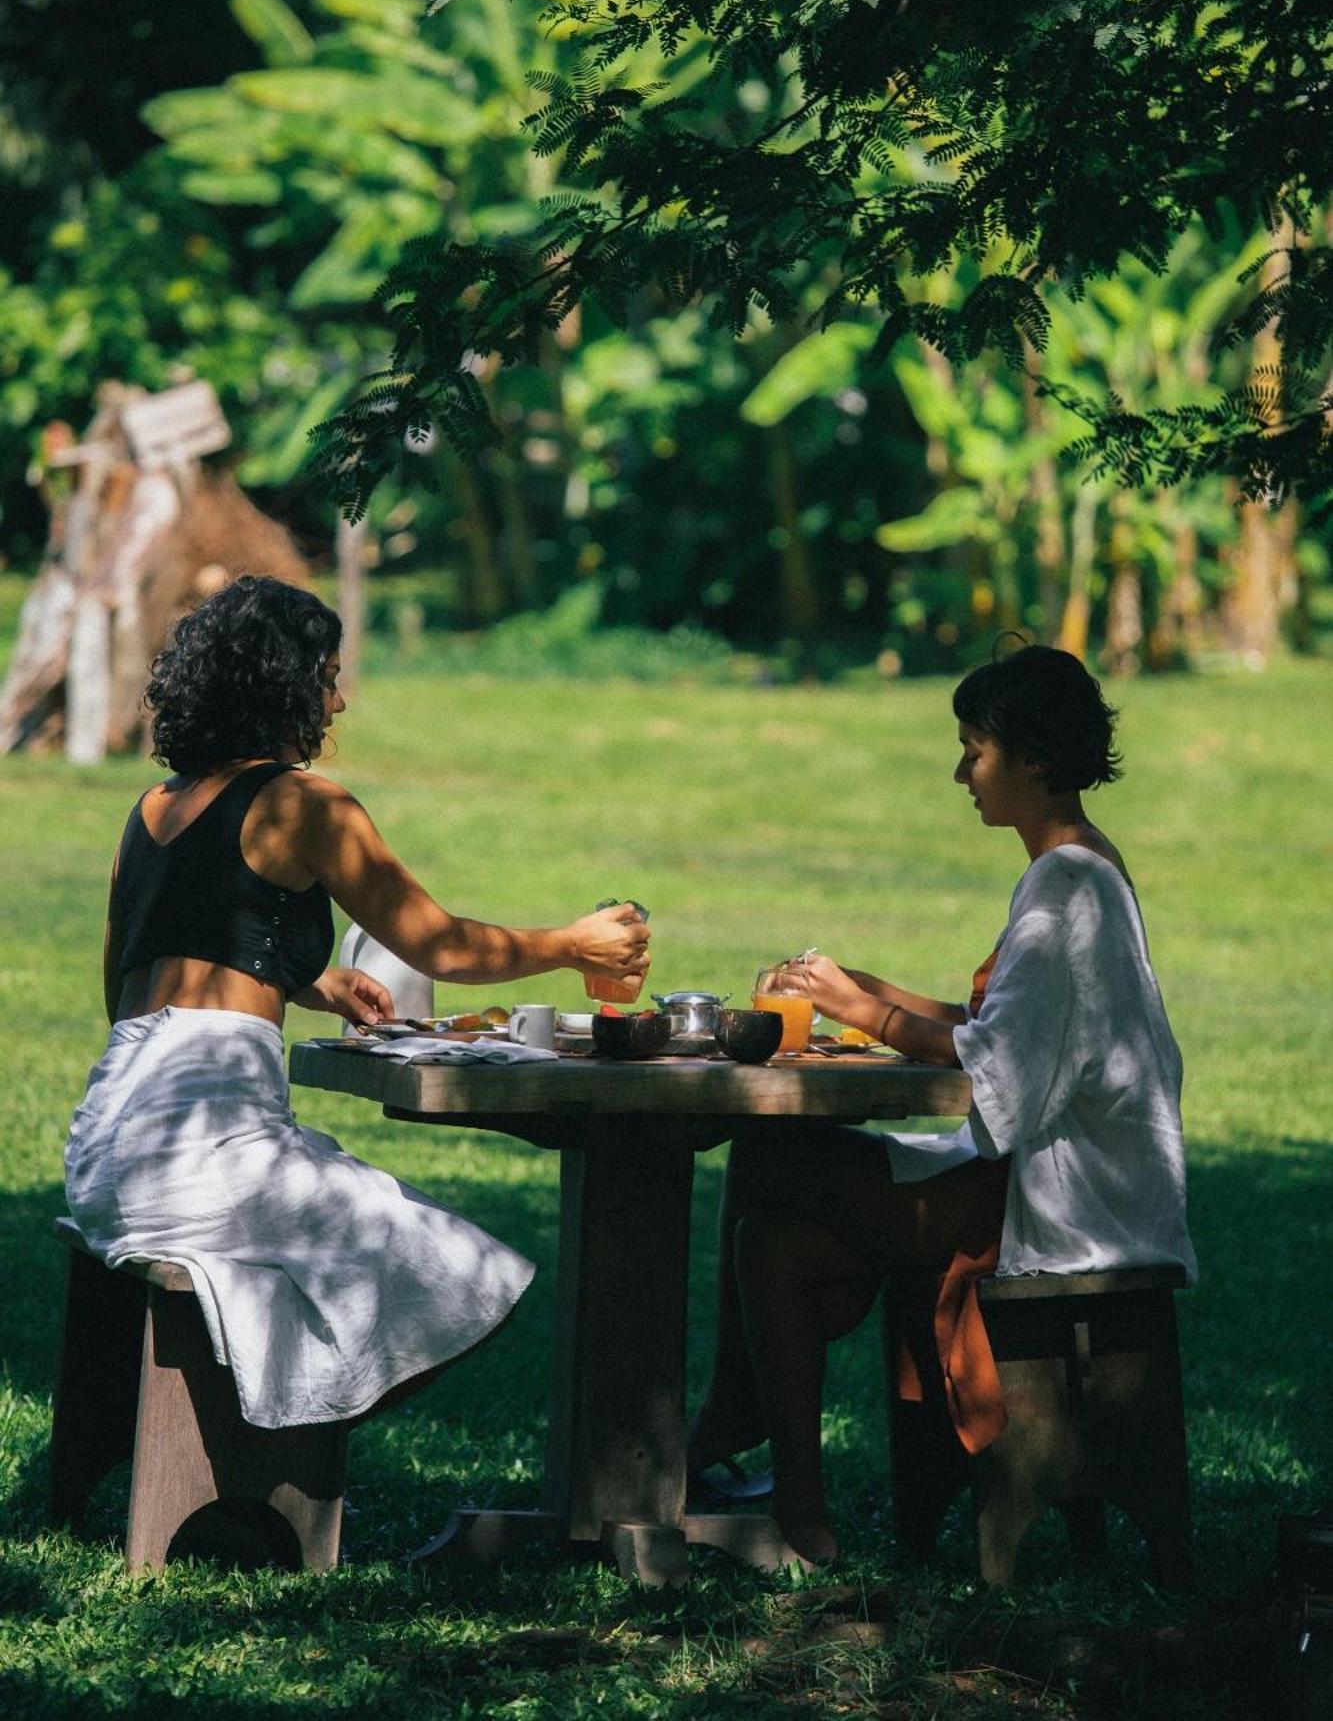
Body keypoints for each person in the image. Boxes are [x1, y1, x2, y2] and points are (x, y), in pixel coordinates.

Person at [65, 573, 650, 1434]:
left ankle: (261, 1442)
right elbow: (439, 946)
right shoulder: (305, 803)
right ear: (284, 685)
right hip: (203, 1158)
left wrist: (307, 981)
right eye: (326, 676)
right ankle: (265, 1452)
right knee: (464, 1271)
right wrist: (572, 946)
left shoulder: (151, 809)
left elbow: (134, 983)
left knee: (373, 1237)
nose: (336, 700)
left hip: (105, 1152)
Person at [686, 643, 1195, 1565]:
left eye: (975, 749)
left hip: (1063, 1202)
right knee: (777, 1243)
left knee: (763, 1157)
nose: (961, 772)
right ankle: (795, 1504)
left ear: (1031, 758)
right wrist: (879, 992)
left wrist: (859, 1011)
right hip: (1053, 1173)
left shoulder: (1062, 887)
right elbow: (1012, 1024)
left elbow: (992, 1067)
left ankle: (737, 1428)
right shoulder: (1083, 868)